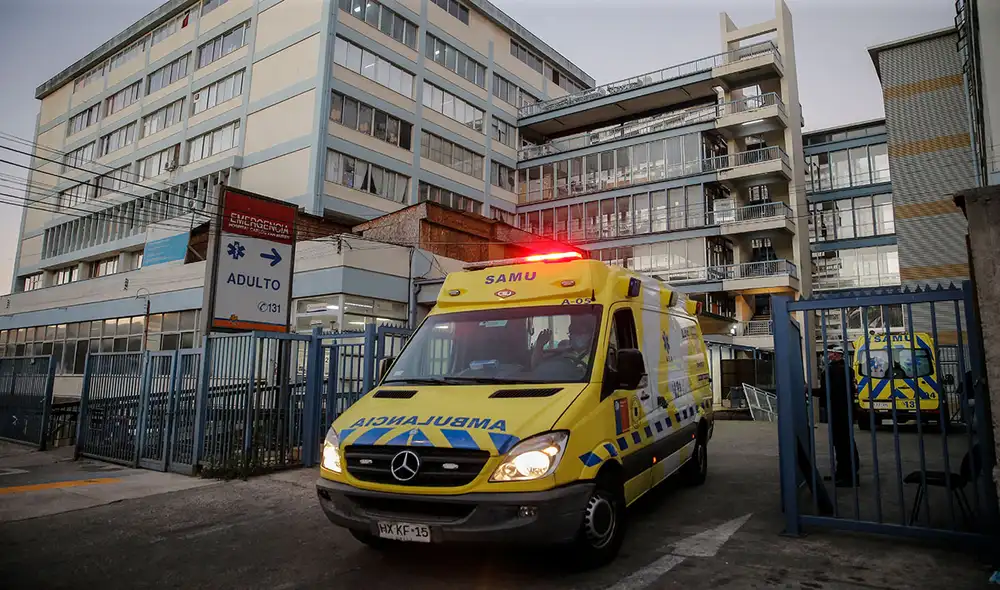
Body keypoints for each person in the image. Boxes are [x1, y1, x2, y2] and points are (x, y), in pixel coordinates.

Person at [816, 345, 860, 487]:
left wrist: (809, 390)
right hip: (846, 410)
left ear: (835, 355)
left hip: (837, 411)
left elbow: (828, 391)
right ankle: (843, 473)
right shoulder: (848, 370)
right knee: (845, 441)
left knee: (841, 443)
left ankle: (847, 476)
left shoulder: (832, 371)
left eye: (829, 353)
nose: (826, 356)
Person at [531, 315, 597, 372]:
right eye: (571, 332)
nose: (573, 336)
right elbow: (536, 365)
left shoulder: (596, 355)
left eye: (579, 332)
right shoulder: (562, 352)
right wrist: (539, 345)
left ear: (590, 335)